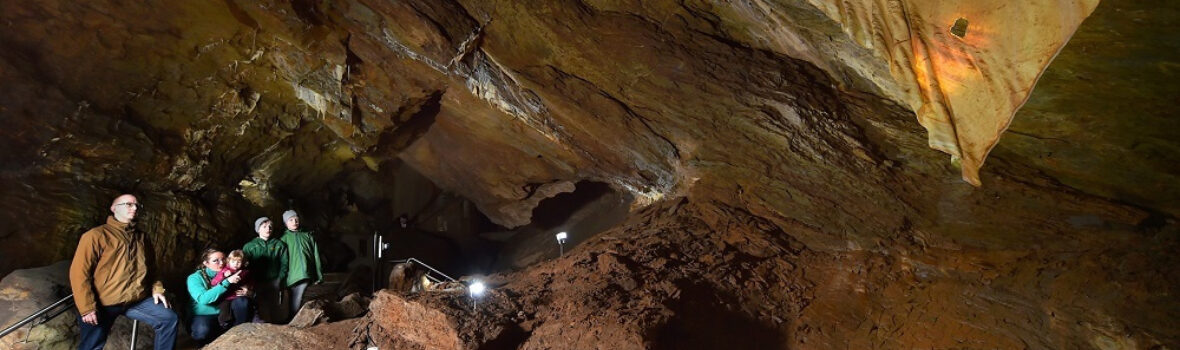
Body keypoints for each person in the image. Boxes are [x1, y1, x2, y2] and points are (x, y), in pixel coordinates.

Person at [69, 194, 178, 350]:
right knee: (91, 345)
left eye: (137, 205)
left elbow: (153, 270)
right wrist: (87, 308)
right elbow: (79, 273)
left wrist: (157, 289)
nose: (134, 208)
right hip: (104, 302)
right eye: (129, 204)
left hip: (135, 300)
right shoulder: (96, 236)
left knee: (168, 318)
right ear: (114, 208)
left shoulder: (142, 238)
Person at [186, 249, 249, 345]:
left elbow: (248, 285)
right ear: (206, 263)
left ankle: (238, 336)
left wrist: (248, 292)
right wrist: (226, 282)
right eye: (216, 261)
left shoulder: (233, 272)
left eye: (224, 259)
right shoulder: (194, 278)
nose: (221, 263)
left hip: (225, 313)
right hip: (205, 314)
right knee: (202, 331)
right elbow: (203, 299)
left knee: (242, 302)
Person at [241, 217, 287, 323]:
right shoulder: (249, 246)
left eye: (270, 226)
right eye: (264, 226)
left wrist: (280, 278)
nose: (268, 229)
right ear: (258, 229)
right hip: (256, 281)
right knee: (258, 305)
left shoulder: (279, 245)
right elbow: (244, 266)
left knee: (274, 305)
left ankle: (277, 328)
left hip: (273, 280)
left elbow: (284, 263)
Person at [280, 210, 322, 318]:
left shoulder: (308, 236)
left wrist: (319, 275)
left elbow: (316, 255)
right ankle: (292, 320)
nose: (294, 222)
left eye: (296, 219)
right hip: (291, 276)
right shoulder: (283, 239)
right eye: (291, 220)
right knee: (293, 300)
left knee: (298, 297)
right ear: (286, 223)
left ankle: (293, 319)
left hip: (305, 274)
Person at [211, 250, 254, 327]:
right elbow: (214, 282)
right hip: (226, 296)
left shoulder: (245, 272)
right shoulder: (225, 270)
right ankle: (224, 323)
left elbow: (250, 282)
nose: (235, 264)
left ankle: (241, 325)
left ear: (243, 263)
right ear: (229, 261)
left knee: (244, 305)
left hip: (238, 295)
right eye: (233, 261)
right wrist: (223, 275)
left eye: (239, 262)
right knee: (224, 309)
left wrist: (248, 288)